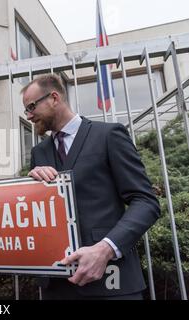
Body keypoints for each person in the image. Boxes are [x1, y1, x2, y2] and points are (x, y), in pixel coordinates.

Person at [21, 74, 160, 300]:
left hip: (112, 283)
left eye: (31, 106)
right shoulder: (39, 152)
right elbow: (38, 214)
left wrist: (105, 249)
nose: (28, 115)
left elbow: (146, 202)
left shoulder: (109, 135)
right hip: (57, 288)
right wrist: (31, 187)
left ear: (54, 97)